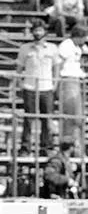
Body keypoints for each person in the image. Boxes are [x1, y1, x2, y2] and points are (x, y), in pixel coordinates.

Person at [16, 19, 59, 155]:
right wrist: (20, 83)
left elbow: (56, 67)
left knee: (46, 119)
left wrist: (55, 83)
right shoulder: (25, 48)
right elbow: (19, 67)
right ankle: (25, 147)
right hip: (29, 86)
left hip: (46, 87)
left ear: (45, 32)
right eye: (35, 30)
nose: (37, 32)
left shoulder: (52, 48)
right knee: (28, 118)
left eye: (40, 30)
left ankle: (45, 147)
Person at [57, 25, 87, 147]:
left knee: (78, 116)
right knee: (70, 113)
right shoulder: (66, 46)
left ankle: (76, 142)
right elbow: (60, 64)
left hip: (76, 80)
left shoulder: (78, 47)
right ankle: (67, 141)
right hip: (68, 80)